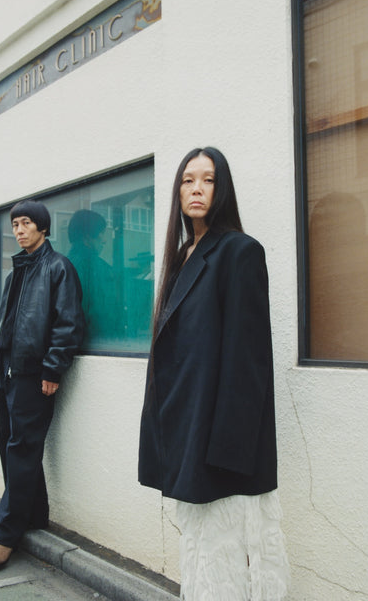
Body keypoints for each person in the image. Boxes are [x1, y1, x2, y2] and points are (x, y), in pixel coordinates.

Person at [138, 147, 289, 600]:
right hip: (188, 430)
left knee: (231, 556)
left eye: (208, 179)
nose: (197, 188)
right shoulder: (183, 253)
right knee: (203, 554)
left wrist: (227, 451)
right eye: (188, 180)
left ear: (222, 189)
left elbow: (249, 358)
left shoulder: (240, 251)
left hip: (222, 444)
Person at [0, 200, 85, 570]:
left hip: (35, 376)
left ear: (43, 227)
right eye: (15, 225)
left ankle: (5, 535)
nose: (19, 230)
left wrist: (53, 370)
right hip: (7, 373)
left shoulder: (58, 267)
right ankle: (34, 516)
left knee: (21, 449)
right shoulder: (17, 272)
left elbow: (68, 324)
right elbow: (5, 323)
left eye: (26, 223)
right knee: (11, 446)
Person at [67, 209, 120, 344]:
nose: (104, 240)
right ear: (87, 237)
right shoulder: (96, 267)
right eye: (101, 233)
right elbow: (102, 314)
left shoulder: (61, 265)